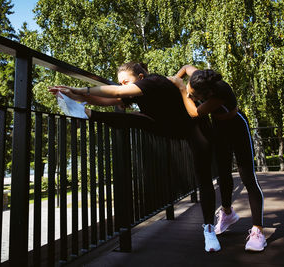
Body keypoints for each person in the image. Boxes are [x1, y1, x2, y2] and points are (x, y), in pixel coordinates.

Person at [49, 62, 221, 252]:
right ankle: (85, 113)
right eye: (120, 83)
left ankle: (209, 229)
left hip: (195, 127)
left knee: (203, 177)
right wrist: (76, 95)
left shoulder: (153, 81)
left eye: (125, 82)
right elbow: (109, 100)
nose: (122, 86)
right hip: (168, 128)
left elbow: (115, 93)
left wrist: (80, 88)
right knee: (132, 117)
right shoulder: (135, 92)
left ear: (140, 78)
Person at [168, 65, 266, 251]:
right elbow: (187, 67)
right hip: (220, 130)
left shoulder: (219, 93)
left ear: (207, 93)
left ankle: (258, 231)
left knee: (248, 178)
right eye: (189, 91)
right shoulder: (200, 77)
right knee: (223, 175)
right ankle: (228, 213)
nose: (190, 97)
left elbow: (194, 112)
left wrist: (181, 89)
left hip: (237, 128)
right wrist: (176, 78)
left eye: (194, 96)